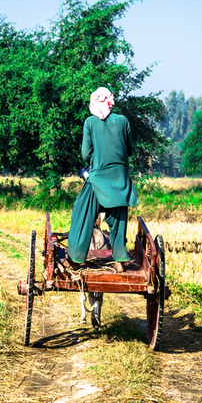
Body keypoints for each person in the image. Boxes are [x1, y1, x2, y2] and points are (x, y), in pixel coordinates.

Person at [65, 87, 139, 272]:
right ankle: (120, 259)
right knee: (119, 218)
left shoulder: (90, 123)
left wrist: (96, 160)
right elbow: (129, 150)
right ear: (110, 101)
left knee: (81, 212)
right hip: (120, 181)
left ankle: (76, 256)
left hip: (97, 180)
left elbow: (85, 154)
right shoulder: (123, 121)